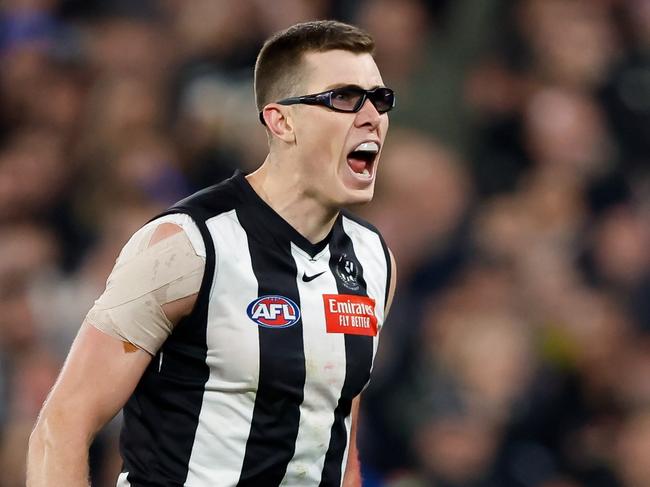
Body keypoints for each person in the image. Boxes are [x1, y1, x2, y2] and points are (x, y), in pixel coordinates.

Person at [27, 20, 397, 487]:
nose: (371, 117)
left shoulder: (373, 260)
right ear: (280, 120)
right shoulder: (186, 246)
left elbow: (338, 444)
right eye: (344, 98)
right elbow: (62, 425)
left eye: (380, 99)